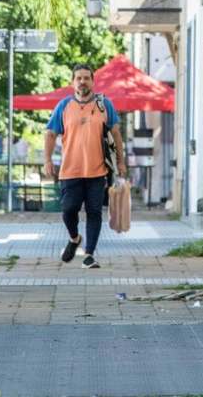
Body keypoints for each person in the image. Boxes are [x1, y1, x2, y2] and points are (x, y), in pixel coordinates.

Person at [44, 63, 126, 269]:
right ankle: (74, 238)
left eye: (86, 78)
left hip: (98, 171)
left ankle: (89, 254)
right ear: (73, 82)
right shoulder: (64, 106)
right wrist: (47, 160)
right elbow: (50, 134)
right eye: (78, 78)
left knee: (94, 212)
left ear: (93, 81)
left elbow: (116, 135)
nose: (82, 81)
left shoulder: (103, 105)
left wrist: (121, 162)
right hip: (69, 171)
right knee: (68, 210)